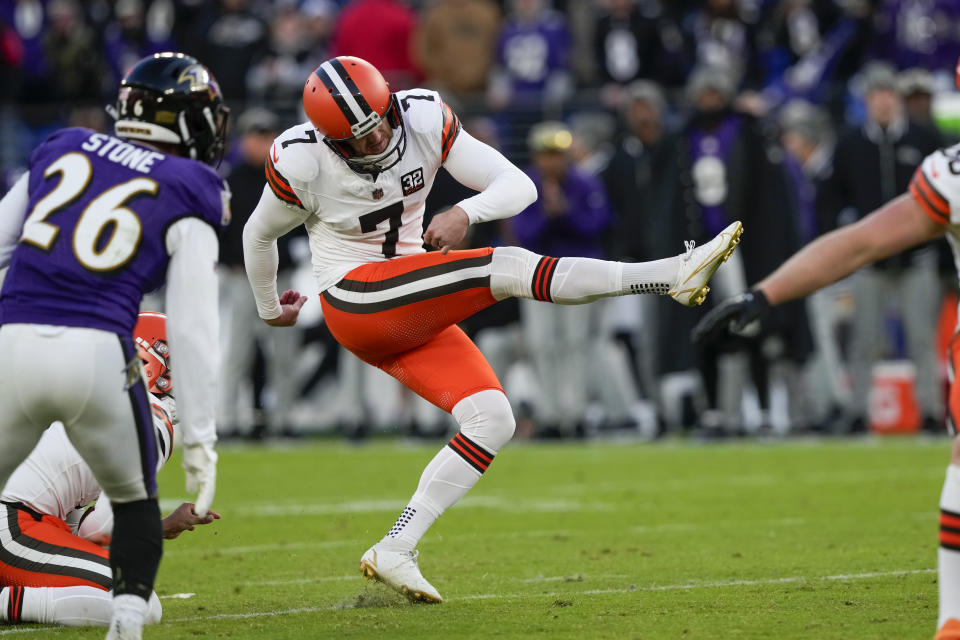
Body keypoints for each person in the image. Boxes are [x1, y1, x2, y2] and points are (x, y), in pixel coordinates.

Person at [242, 55, 743, 604]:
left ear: (390, 102)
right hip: (356, 297)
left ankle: (396, 547)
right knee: (504, 266)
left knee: (492, 419)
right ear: (328, 140)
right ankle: (670, 274)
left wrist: (466, 211)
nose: (375, 141)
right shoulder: (301, 158)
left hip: (408, 302)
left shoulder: (423, 118)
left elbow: (517, 184)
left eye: (380, 123)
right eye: (356, 140)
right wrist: (270, 309)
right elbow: (257, 234)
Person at [690, 58, 960, 640]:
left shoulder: (947, 165)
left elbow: (858, 242)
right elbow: (860, 242)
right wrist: (766, 294)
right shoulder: (950, 172)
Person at [0, 52, 226, 640]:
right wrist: (200, 436)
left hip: (17, 338)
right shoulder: (189, 184)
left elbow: (2, 245)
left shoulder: (64, 146)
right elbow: (197, 326)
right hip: (96, 350)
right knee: (136, 577)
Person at [0, 312, 220, 627]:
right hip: (12, 526)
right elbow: (99, 529)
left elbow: (74, 527)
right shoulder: (150, 418)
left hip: (17, 520)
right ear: (153, 363)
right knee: (140, 604)